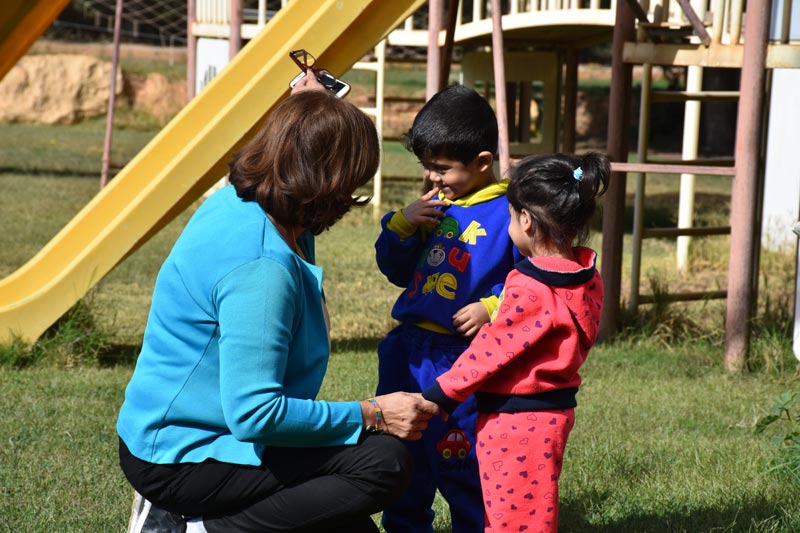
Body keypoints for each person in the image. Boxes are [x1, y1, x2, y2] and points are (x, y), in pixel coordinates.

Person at [116, 74, 439, 533]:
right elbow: (255, 414)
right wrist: (374, 413)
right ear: (329, 186)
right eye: (352, 183)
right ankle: (193, 528)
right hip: (182, 457)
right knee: (382, 463)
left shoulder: (241, 200)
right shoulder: (262, 269)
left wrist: (305, 116)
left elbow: (284, 156)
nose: (352, 197)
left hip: (172, 435)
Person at [421, 152, 609, 533]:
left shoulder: (529, 285)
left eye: (509, 216)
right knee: (534, 512)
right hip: (554, 414)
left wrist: (440, 394)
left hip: (513, 421)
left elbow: (491, 350)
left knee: (509, 519)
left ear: (526, 220)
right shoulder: (586, 275)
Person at [374, 84, 522, 532]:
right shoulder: (432, 209)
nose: (433, 178)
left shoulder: (510, 214)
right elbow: (395, 270)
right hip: (408, 352)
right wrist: (401, 225)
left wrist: (491, 308)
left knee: (461, 457)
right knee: (403, 453)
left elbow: (531, 281)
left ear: (481, 162)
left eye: (442, 168)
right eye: (427, 167)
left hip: (462, 360)